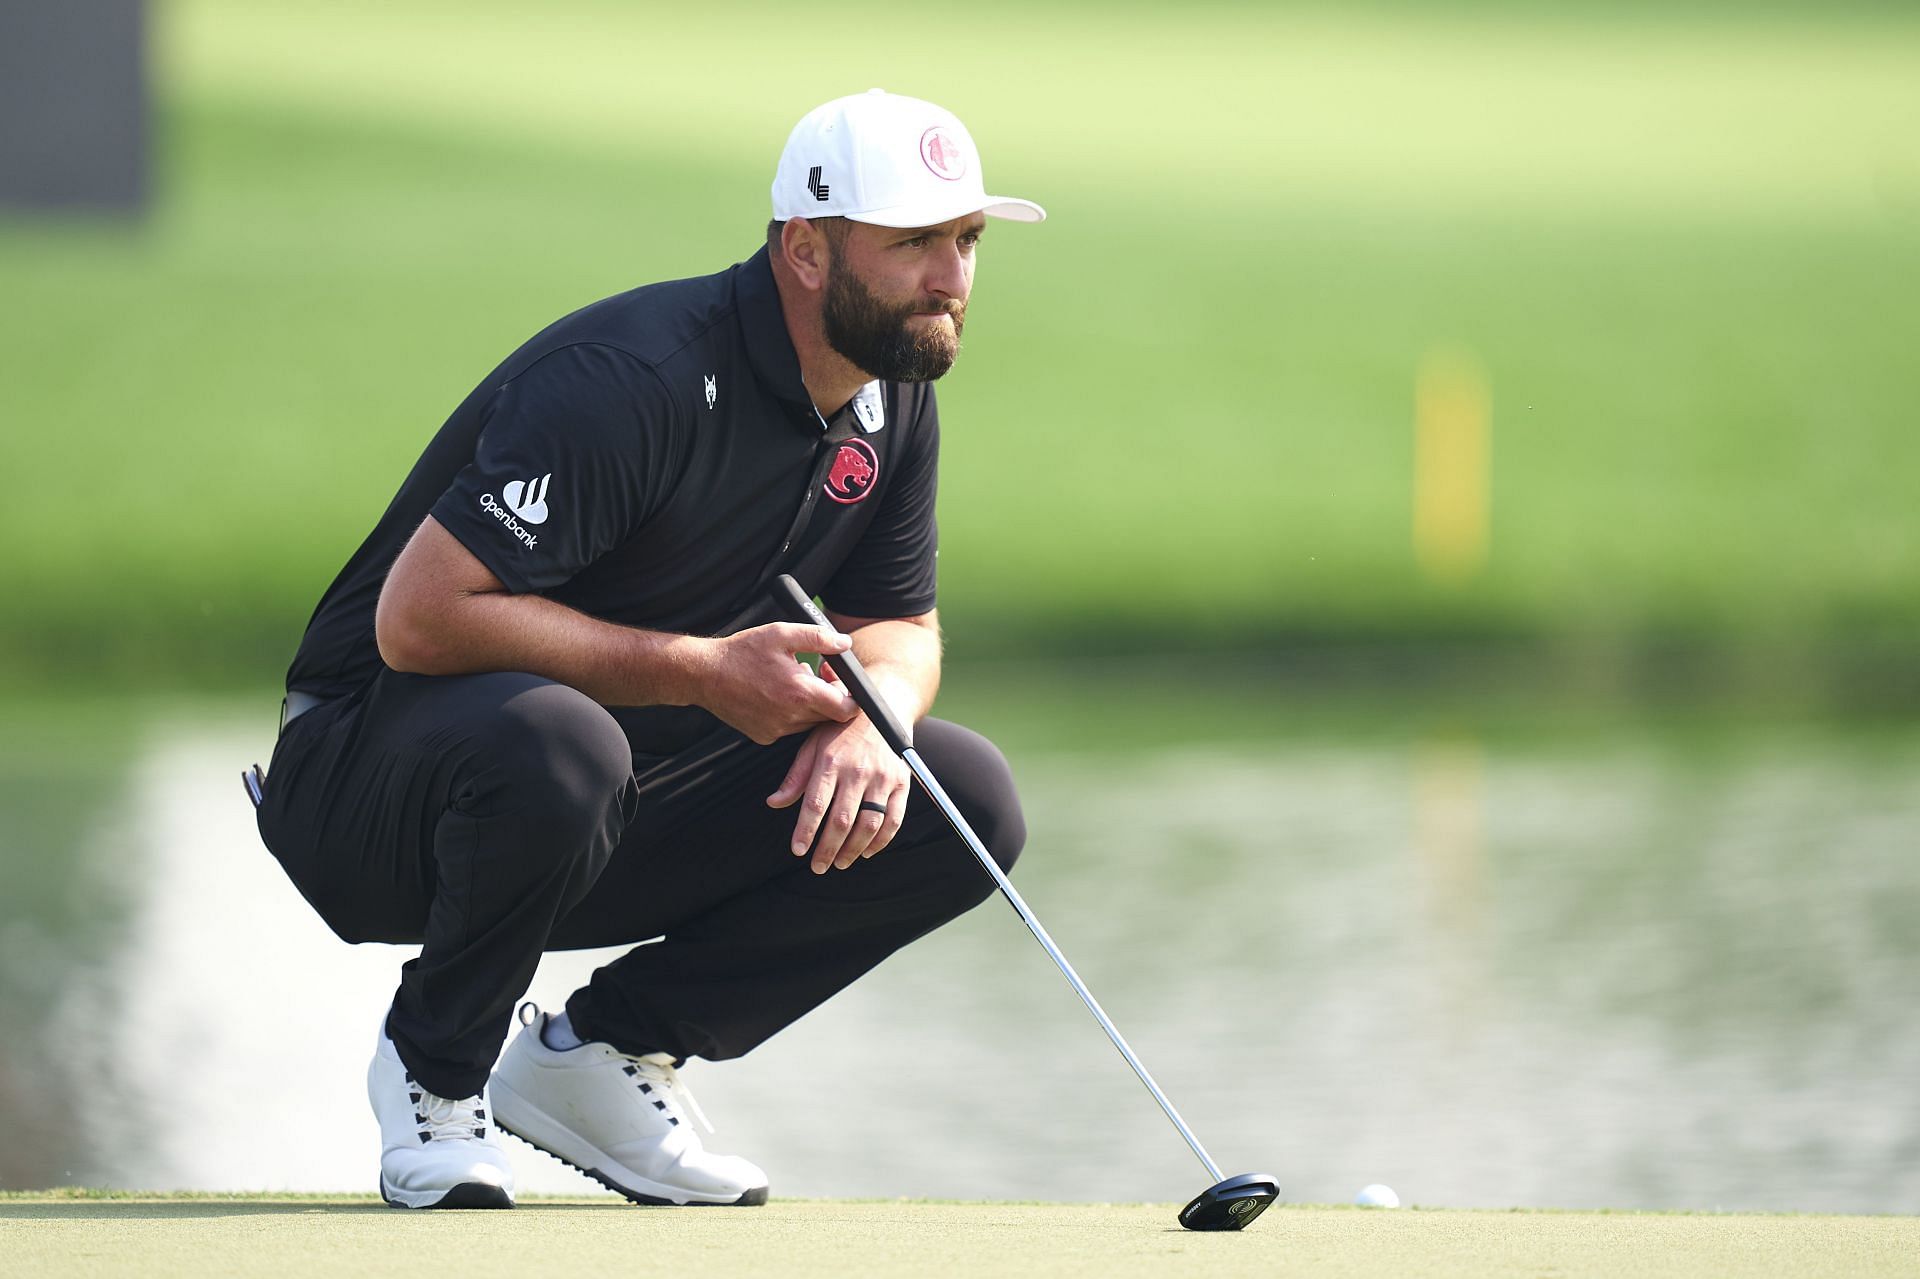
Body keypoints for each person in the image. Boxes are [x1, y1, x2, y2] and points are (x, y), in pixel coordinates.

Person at [252, 89, 1044, 1210]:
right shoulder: (639, 381)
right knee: (565, 746)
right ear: (807, 251)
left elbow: (899, 627)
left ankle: (600, 1057)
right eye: (913, 241)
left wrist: (884, 722)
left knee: (955, 794)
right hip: (364, 792)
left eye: (965, 241)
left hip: (597, 800)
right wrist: (704, 672)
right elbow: (416, 620)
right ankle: (434, 1071)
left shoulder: (891, 399)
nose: (951, 278)